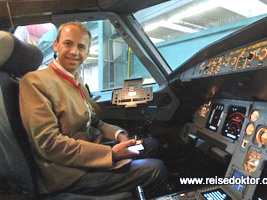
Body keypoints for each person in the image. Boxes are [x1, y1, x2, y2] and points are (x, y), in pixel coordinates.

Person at [19, 21, 167, 198]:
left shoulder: (75, 80)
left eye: (81, 47)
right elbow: (49, 144)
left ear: (87, 53)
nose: (75, 52)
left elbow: (95, 121)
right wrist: (111, 154)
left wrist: (119, 134)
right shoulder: (34, 82)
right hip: (66, 173)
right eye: (68, 43)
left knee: (150, 145)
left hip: (87, 154)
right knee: (156, 170)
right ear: (56, 45)